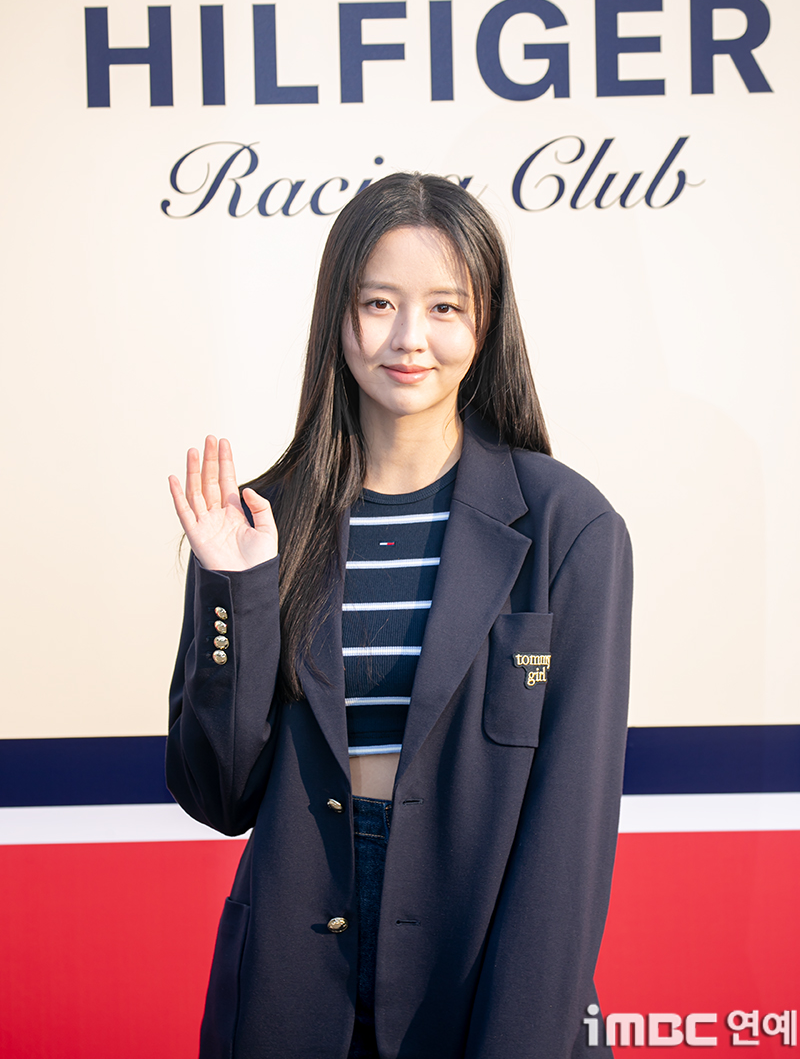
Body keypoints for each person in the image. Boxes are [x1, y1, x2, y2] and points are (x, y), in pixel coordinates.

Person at [166, 172, 633, 1059]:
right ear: (337, 317)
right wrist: (237, 589)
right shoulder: (261, 522)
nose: (410, 338)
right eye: (378, 303)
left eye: (445, 307)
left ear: (485, 324)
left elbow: (570, 835)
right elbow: (217, 797)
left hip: (480, 963)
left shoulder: (568, 527)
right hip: (291, 979)